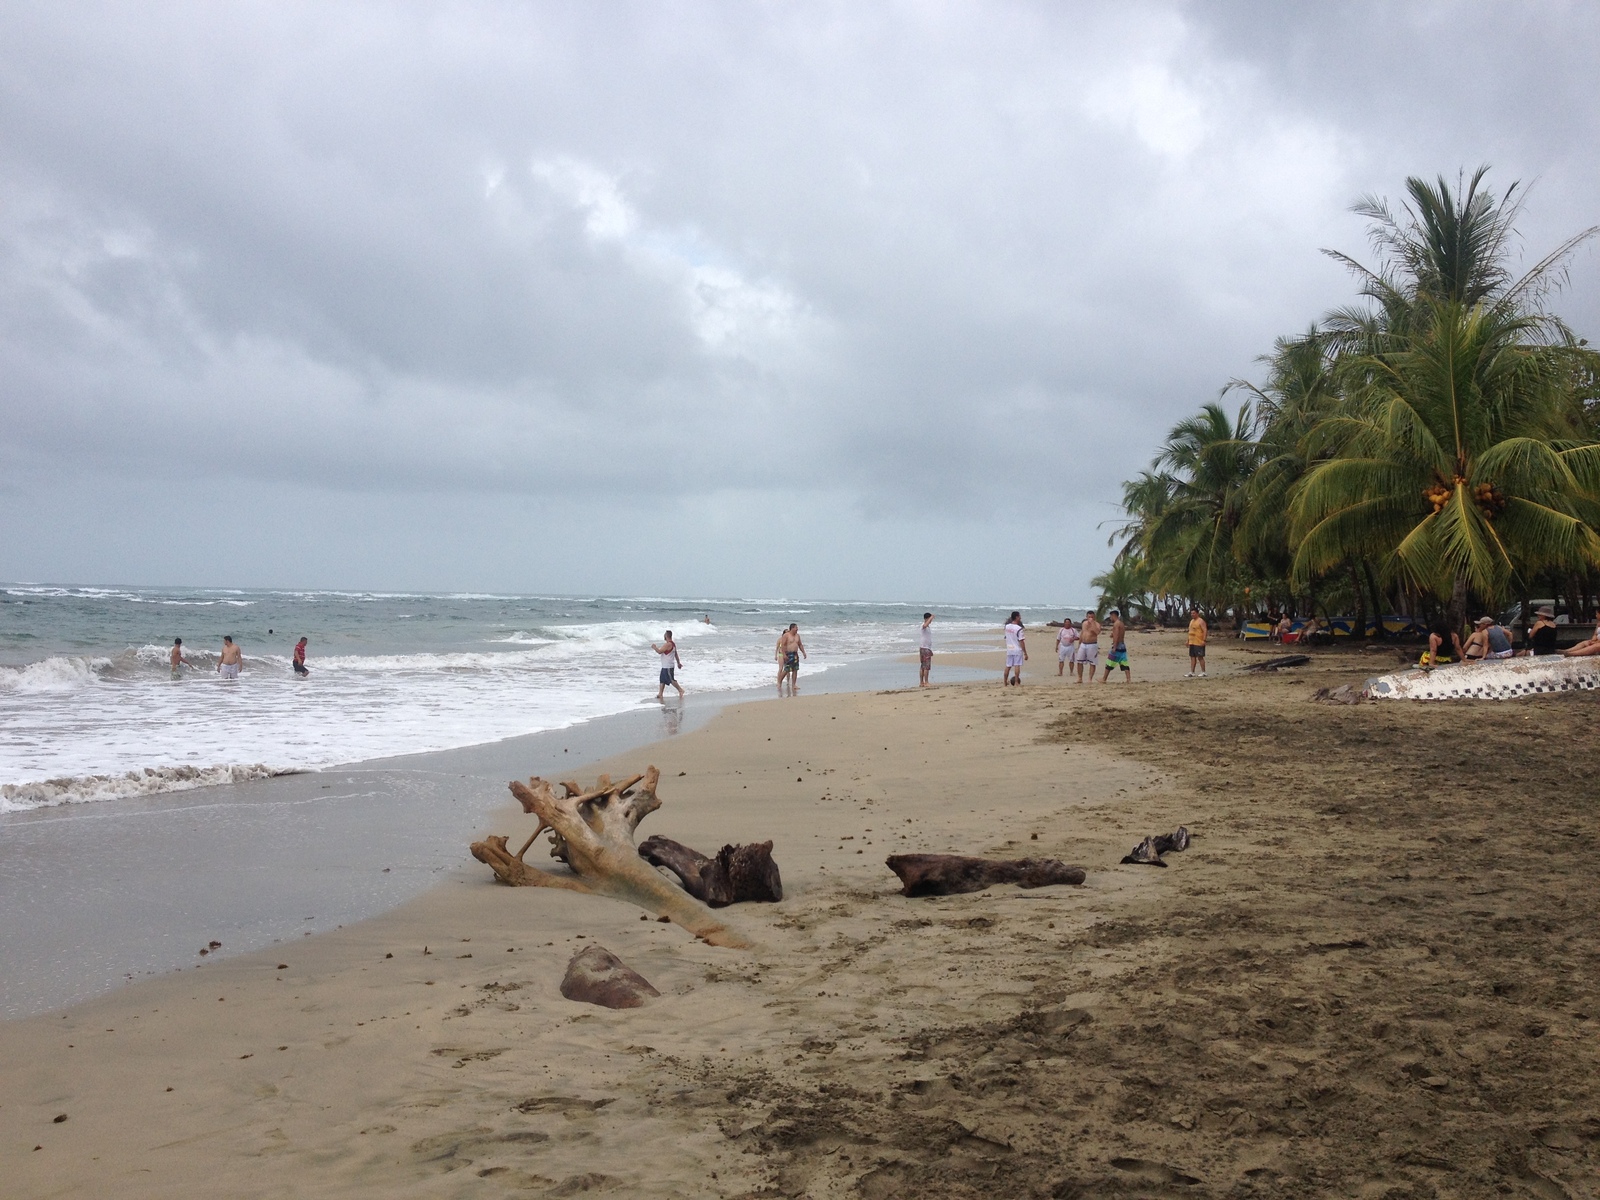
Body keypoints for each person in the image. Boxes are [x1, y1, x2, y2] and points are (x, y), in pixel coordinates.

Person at [653, 630, 684, 700]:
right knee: (662, 680)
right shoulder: (673, 644)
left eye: (664, 635)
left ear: (666, 636)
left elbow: (659, 651)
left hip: (668, 666)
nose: (664, 636)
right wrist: (678, 663)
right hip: (665, 665)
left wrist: (654, 647)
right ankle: (660, 694)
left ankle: (680, 690)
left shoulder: (668, 644)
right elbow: (676, 654)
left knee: (671, 680)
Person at [1102, 609, 1131, 682]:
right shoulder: (1121, 623)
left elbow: (1117, 635)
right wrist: (1113, 634)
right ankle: (1128, 679)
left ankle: (1104, 679)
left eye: (1110, 616)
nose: (1110, 618)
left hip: (1118, 645)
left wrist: (1114, 646)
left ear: (1113, 615)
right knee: (1124, 661)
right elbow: (1119, 633)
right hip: (1122, 645)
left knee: (1109, 661)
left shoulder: (1116, 624)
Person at [778, 623, 806, 695]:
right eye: (796, 627)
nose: (797, 629)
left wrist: (803, 652)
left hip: (795, 654)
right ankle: (779, 682)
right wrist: (784, 654)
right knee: (786, 670)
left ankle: (794, 685)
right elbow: (783, 645)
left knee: (795, 669)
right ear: (792, 628)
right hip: (788, 654)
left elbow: (800, 644)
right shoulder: (786, 635)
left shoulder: (797, 636)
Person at [1075, 611, 1101, 682]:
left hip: (1092, 644)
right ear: (1086, 617)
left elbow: (1097, 632)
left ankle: (1090, 679)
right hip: (1083, 644)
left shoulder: (1097, 624)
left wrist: (1092, 624)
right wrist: (1079, 644)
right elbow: (1082, 633)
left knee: (1092, 662)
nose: (1090, 618)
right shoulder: (1084, 623)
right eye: (1089, 617)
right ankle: (1080, 678)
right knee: (1079, 661)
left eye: (1092, 617)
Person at [1002, 611, 1026, 686]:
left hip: (1010, 648)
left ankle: (1005, 682)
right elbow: (1021, 641)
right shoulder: (1019, 629)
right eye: (1019, 616)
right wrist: (1025, 652)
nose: (1020, 618)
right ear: (1016, 617)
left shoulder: (1007, 627)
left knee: (1008, 666)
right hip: (1017, 648)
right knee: (1017, 665)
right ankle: (1016, 682)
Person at [1186, 608, 1208, 677]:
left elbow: (1205, 630)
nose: (1192, 614)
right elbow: (1190, 631)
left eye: (1194, 613)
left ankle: (1203, 671)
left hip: (1199, 642)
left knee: (1200, 657)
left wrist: (1204, 640)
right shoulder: (1191, 621)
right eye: (1191, 613)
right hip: (1192, 642)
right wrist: (1188, 640)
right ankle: (1192, 672)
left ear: (1197, 613)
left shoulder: (1201, 621)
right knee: (1192, 657)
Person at [918, 613, 935, 687]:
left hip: (926, 648)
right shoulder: (923, 626)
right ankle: (925, 682)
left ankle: (922, 682)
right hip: (924, 648)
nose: (931, 621)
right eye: (929, 620)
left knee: (923, 666)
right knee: (925, 666)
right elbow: (925, 625)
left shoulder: (928, 628)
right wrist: (931, 617)